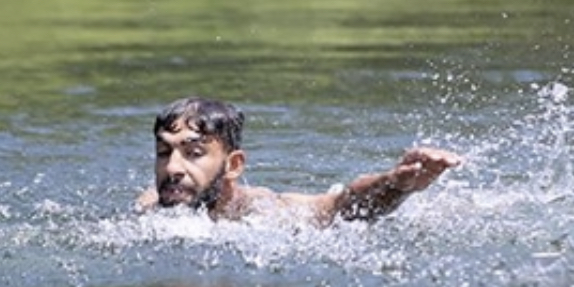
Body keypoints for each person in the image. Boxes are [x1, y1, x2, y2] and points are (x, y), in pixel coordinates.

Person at [135, 97, 461, 224]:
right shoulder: (149, 208)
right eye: (164, 152)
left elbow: (339, 205)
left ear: (234, 165)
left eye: (193, 153)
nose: (173, 168)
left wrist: (395, 184)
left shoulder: (262, 211)